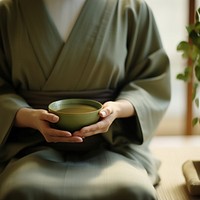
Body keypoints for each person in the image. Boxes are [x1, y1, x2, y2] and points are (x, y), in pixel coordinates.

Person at [0, 0, 171, 199]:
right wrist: (27, 116)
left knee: (133, 190)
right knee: (21, 190)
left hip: (112, 144)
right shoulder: (8, 11)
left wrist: (117, 110)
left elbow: (151, 80)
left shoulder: (131, 8)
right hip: (29, 146)